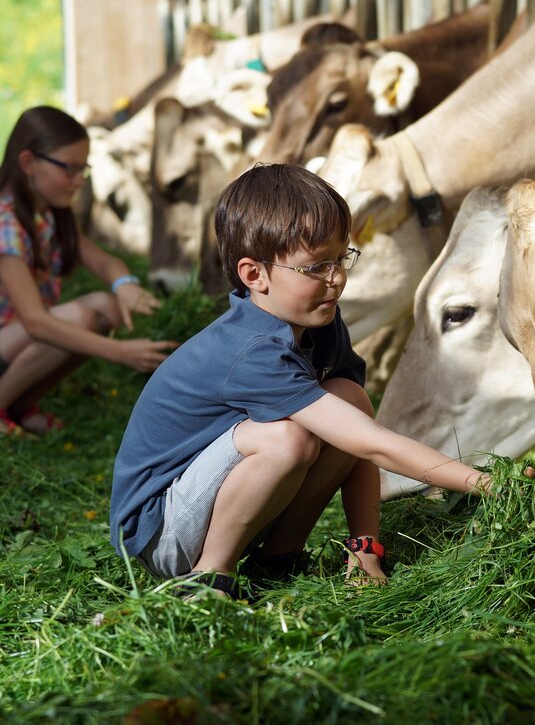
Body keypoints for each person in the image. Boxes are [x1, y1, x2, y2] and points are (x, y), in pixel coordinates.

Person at [110, 162, 490, 598]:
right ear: (255, 275)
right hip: (159, 530)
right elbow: (373, 443)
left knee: (349, 399)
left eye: (342, 257)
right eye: (316, 267)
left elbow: (356, 435)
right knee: (287, 440)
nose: (338, 279)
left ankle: (279, 558)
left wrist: (365, 548)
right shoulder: (252, 350)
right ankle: (211, 577)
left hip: (215, 503)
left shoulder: (318, 321)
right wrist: (484, 482)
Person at [0, 106, 175, 434]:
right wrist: (120, 352)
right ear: (28, 164)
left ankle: (20, 408)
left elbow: (103, 261)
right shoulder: (6, 224)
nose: (80, 180)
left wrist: (124, 283)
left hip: (12, 341)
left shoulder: (49, 214)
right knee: (79, 318)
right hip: (14, 334)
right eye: (70, 169)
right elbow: (36, 322)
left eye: (84, 169)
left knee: (105, 306)